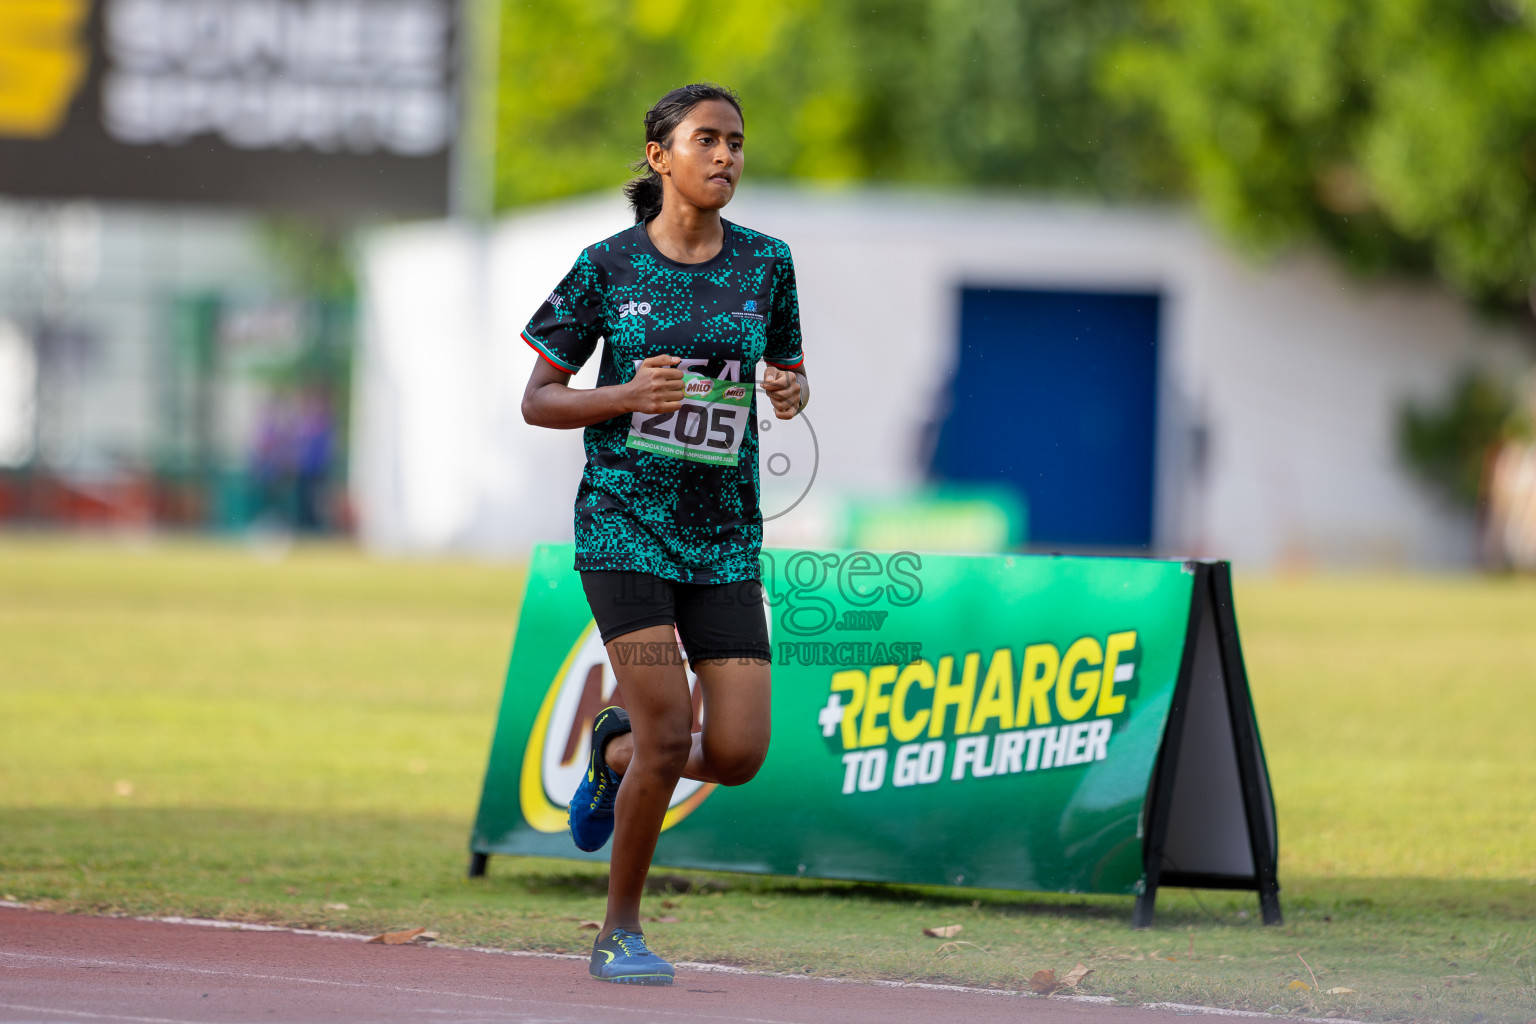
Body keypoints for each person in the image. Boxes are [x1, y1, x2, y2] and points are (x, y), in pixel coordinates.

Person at [518, 83, 809, 986]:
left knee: (739, 752)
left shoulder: (767, 263)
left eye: (736, 142)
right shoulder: (606, 266)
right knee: (672, 732)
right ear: (660, 156)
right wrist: (624, 395)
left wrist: (790, 390)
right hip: (625, 529)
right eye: (706, 139)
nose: (725, 156)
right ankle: (619, 932)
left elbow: (790, 373)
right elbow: (538, 400)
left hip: (723, 537)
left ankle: (611, 749)